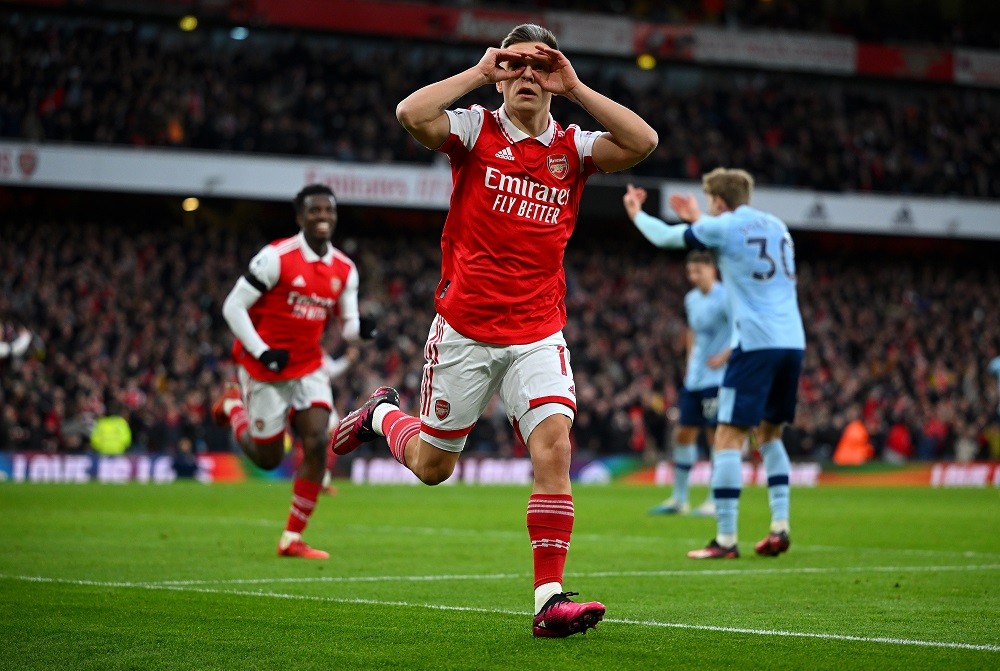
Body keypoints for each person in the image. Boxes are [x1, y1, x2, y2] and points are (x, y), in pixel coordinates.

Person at [333, 23, 657, 637]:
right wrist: (482, 73)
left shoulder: (573, 146)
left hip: (538, 331)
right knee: (433, 467)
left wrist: (578, 85)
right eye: (516, 65)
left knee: (555, 447)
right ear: (501, 73)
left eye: (541, 66)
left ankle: (548, 599)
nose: (528, 76)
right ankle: (381, 415)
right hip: (465, 330)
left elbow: (643, 142)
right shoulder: (474, 128)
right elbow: (410, 113)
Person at [622, 167, 805, 560]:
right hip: (793, 342)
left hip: (755, 345)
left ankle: (724, 539)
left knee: (726, 437)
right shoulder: (778, 226)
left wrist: (637, 212)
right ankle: (780, 525)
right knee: (770, 434)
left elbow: (667, 237)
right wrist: (700, 220)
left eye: (710, 201)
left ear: (718, 201)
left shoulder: (724, 227)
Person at [212, 184, 374, 559]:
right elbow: (233, 307)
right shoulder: (275, 258)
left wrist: (362, 331)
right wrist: (262, 351)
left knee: (319, 440)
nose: (322, 217)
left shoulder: (344, 269)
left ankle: (292, 538)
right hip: (264, 366)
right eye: (315, 211)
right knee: (268, 457)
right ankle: (233, 405)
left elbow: (347, 325)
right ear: (300, 217)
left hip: (308, 366)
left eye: (328, 211)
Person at [649, 250, 730, 516]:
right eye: (691, 272)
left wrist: (725, 356)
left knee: (714, 435)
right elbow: (692, 332)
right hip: (695, 378)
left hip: (718, 378)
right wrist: (689, 362)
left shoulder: (727, 297)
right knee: (683, 433)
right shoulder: (691, 299)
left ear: (712, 270)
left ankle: (715, 499)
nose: (694, 277)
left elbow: (743, 330)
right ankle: (680, 499)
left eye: (699, 271)